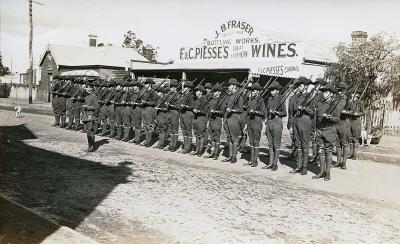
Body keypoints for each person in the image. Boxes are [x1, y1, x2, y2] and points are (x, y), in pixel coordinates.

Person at [312, 83, 339, 181]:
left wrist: (329, 117)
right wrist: (315, 130)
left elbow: (337, 119)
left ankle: (328, 173)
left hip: (329, 130)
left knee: (328, 151)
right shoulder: (320, 103)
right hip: (320, 130)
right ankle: (322, 171)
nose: (324, 94)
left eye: (326, 92)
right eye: (323, 92)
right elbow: (316, 117)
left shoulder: (334, 104)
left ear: (331, 94)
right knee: (321, 150)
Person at [289, 77, 313, 175]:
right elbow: (292, 111)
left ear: (306, 86)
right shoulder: (295, 97)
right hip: (296, 121)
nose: (299, 87)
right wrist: (291, 125)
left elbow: (312, 112)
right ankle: (298, 166)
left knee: (305, 144)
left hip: (305, 121)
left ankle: (304, 167)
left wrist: (305, 108)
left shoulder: (310, 97)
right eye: (298, 86)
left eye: (301, 86)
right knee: (298, 144)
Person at [263, 80, 287, 171]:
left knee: (276, 145)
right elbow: (266, 110)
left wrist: (276, 112)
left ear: (277, 90)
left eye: (273, 90)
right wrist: (266, 119)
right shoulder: (269, 98)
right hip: (269, 122)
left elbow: (284, 113)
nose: (271, 91)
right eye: (271, 90)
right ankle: (270, 163)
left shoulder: (281, 99)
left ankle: (275, 164)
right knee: (270, 144)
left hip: (277, 122)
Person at [243, 83, 265, 167]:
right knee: (251, 141)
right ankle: (251, 160)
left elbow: (263, 113)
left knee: (256, 141)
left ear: (258, 91)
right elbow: (247, 113)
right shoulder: (249, 100)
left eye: (254, 90)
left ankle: (255, 161)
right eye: (251, 90)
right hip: (249, 122)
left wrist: (255, 112)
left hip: (257, 122)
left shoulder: (261, 100)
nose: (252, 92)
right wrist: (246, 124)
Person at [222, 78, 243, 163]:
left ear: (234, 86)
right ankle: (230, 156)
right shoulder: (229, 96)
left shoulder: (239, 96)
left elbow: (240, 109)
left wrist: (232, 110)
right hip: (227, 118)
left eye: (230, 86)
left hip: (234, 118)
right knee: (229, 138)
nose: (229, 87)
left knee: (234, 138)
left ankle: (234, 157)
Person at [203, 84, 225, 159]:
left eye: (216, 91)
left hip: (217, 119)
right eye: (214, 91)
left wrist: (215, 111)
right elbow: (208, 110)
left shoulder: (221, 101)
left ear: (219, 92)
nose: (214, 93)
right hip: (211, 119)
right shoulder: (211, 100)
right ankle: (212, 152)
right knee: (211, 136)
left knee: (217, 136)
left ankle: (216, 154)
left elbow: (222, 112)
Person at [333, 82, 351, 169]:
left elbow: (353, 112)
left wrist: (347, 112)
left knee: (344, 143)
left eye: (341, 90)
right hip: (336, 122)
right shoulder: (334, 98)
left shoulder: (348, 100)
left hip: (344, 123)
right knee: (337, 144)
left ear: (345, 91)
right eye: (338, 90)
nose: (339, 92)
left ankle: (344, 163)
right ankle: (338, 162)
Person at [140, 78, 159, 147]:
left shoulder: (153, 92)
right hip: (144, 109)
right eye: (145, 84)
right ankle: (146, 140)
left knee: (149, 126)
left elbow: (154, 102)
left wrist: (147, 102)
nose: (146, 85)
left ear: (150, 84)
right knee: (145, 126)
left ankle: (149, 141)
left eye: (147, 84)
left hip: (150, 109)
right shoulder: (144, 91)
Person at [346, 88, 364, 159]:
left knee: (355, 138)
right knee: (350, 138)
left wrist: (357, 114)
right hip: (349, 120)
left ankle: (355, 154)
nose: (352, 95)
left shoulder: (360, 102)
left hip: (356, 121)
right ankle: (350, 153)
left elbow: (363, 112)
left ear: (357, 95)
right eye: (352, 94)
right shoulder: (349, 102)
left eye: (353, 93)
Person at [191, 85, 208, 156]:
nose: (196, 92)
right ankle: (196, 150)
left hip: (201, 119)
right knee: (197, 135)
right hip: (195, 119)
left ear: (201, 92)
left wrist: (197, 111)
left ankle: (200, 151)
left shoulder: (204, 100)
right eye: (196, 91)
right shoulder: (196, 100)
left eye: (197, 91)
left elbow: (205, 111)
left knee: (201, 135)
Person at [81, 82, 99, 152]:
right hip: (85, 115)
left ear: (91, 88)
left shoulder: (93, 96)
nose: (85, 88)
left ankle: (91, 146)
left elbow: (97, 107)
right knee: (87, 131)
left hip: (90, 114)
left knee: (90, 130)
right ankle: (91, 143)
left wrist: (88, 107)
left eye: (87, 87)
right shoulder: (86, 96)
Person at [164, 79, 181, 151]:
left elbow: (178, 106)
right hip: (169, 113)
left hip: (175, 113)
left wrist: (170, 105)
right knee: (170, 129)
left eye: (172, 87)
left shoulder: (178, 96)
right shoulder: (169, 95)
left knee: (175, 129)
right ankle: (171, 144)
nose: (171, 88)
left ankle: (174, 146)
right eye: (170, 87)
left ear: (175, 88)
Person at [179, 80, 195, 154]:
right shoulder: (183, 95)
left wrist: (186, 106)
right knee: (184, 130)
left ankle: (188, 147)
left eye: (185, 87)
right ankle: (185, 146)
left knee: (188, 130)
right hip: (182, 114)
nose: (183, 88)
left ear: (188, 88)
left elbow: (193, 106)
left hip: (188, 114)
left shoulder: (191, 96)